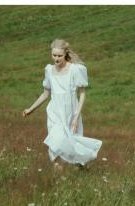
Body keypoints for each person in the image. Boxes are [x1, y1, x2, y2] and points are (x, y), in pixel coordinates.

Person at [22, 39, 102, 170]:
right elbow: (45, 94)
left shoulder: (75, 70)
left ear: (65, 54)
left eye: (59, 55)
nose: (56, 58)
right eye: (54, 55)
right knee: (55, 143)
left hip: (71, 112)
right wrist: (31, 109)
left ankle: (80, 166)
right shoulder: (49, 70)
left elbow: (82, 94)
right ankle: (57, 178)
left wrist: (76, 117)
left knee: (72, 143)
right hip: (54, 112)